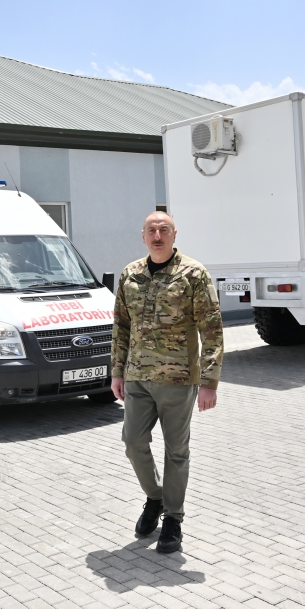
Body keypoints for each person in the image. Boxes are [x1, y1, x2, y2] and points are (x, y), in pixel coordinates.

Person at [111, 211, 224, 554]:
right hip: (137, 377)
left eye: (164, 230)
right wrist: (117, 371)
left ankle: (173, 519)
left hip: (178, 379)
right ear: (143, 236)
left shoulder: (193, 274)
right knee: (133, 442)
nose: (157, 236)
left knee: (176, 451)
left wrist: (210, 381)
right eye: (151, 230)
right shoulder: (130, 274)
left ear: (175, 235)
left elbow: (212, 330)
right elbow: (121, 327)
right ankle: (155, 498)